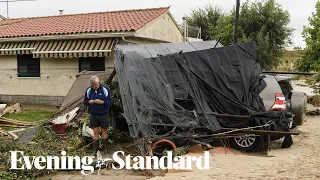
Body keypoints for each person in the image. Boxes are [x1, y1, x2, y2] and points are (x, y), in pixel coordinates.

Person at [84, 75, 112, 156]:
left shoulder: (105, 89)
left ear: (98, 82)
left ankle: (105, 149)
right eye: (92, 85)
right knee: (95, 132)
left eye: (95, 85)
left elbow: (110, 102)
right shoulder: (89, 90)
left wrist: (102, 102)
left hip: (104, 114)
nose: (94, 86)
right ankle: (95, 150)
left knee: (103, 131)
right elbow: (85, 101)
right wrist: (89, 102)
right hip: (93, 114)